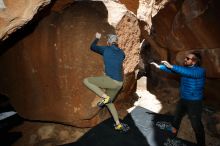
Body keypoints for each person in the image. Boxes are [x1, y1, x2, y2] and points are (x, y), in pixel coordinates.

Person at [150, 52, 206, 146]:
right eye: (185, 57)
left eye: (188, 58)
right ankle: (173, 132)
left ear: (195, 61)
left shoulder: (200, 71)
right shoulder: (185, 69)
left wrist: (172, 66)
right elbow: (175, 71)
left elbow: (187, 72)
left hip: (194, 102)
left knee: (196, 124)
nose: (185, 59)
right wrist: (160, 67)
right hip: (184, 99)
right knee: (177, 116)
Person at [83, 32, 129, 132]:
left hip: (111, 81)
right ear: (116, 42)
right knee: (109, 103)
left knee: (86, 81)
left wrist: (96, 38)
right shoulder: (122, 53)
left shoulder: (105, 49)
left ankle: (104, 97)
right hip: (119, 84)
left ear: (108, 42)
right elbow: (120, 59)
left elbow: (92, 47)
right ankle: (118, 124)